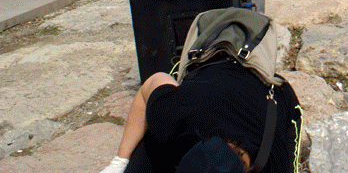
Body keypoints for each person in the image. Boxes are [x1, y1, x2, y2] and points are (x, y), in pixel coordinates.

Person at [97, 58, 300, 173]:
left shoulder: (275, 162)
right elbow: (153, 83)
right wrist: (119, 162)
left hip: (275, 92)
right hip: (208, 71)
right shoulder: (173, 118)